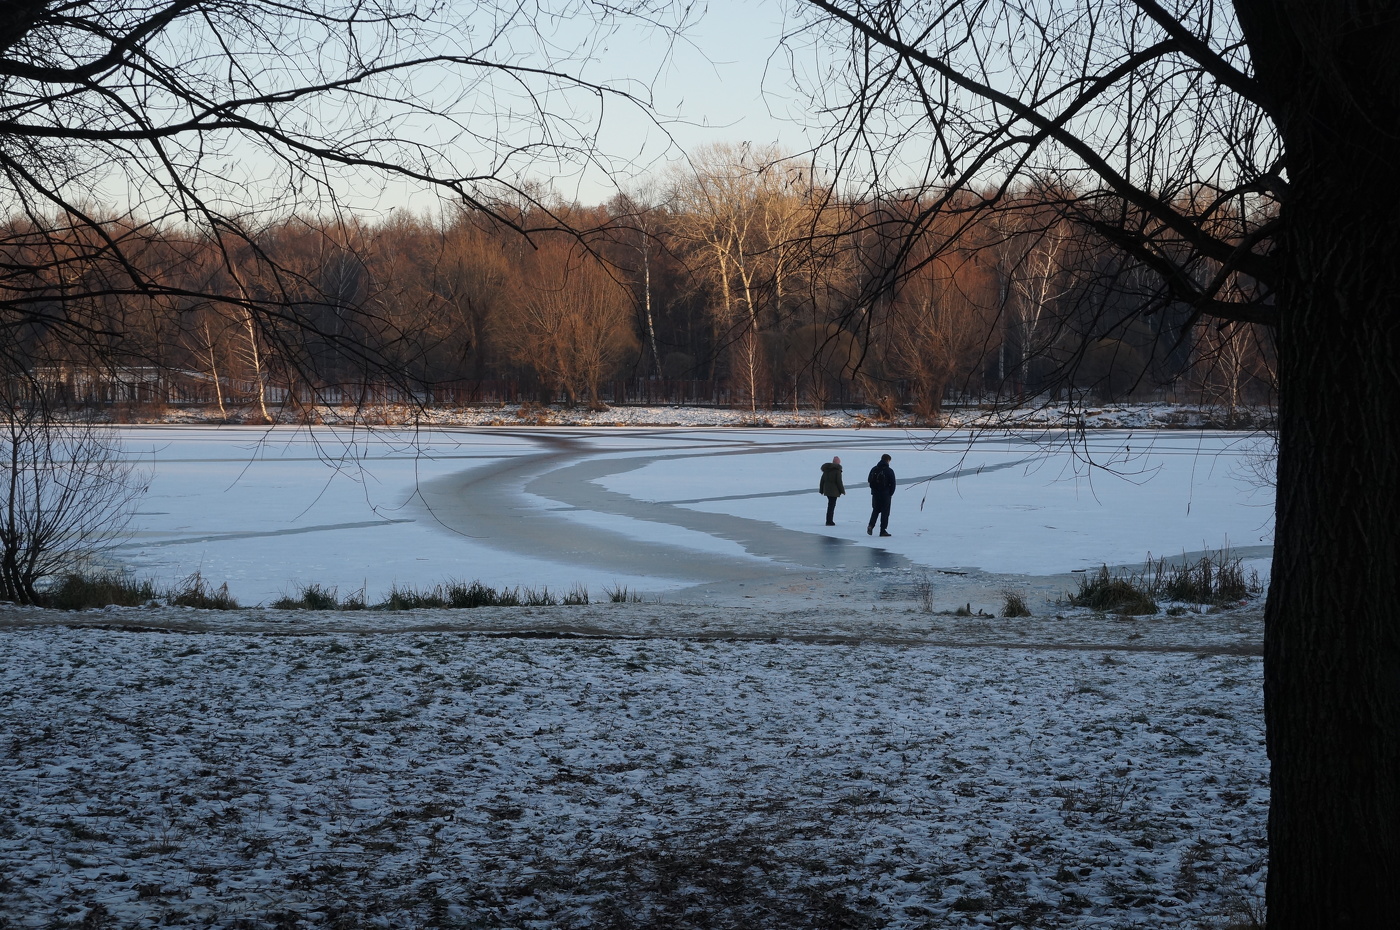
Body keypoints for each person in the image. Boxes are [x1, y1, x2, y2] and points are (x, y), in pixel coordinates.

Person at [866, 453, 896, 537]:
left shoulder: (874, 469)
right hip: (885, 494)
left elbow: (869, 480)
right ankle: (883, 530)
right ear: (888, 460)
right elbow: (893, 483)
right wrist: (890, 493)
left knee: (875, 510)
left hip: (875, 494)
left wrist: (874, 490)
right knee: (885, 512)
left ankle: (871, 525)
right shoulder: (889, 470)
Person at [818, 456, 845, 525]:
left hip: (827, 490)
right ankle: (829, 521)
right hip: (834, 491)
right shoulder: (837, 471)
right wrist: (842, 490)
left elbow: (822, 481)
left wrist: (821, 490)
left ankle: (829, 520)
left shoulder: (826, 470)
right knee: (831, 506)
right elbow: (839, 482)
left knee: (830, 505)